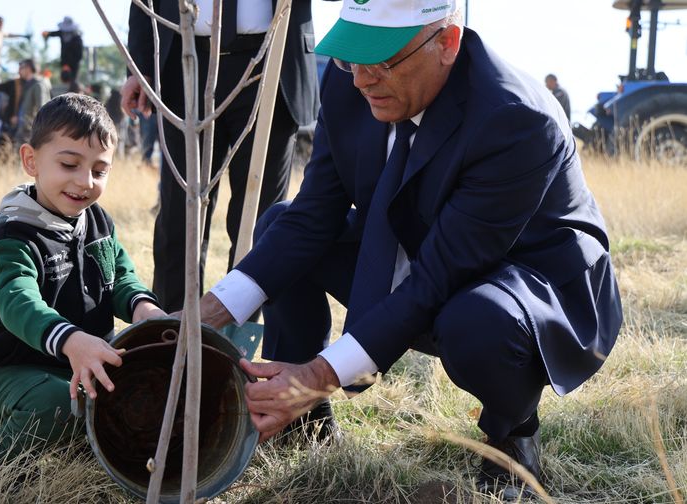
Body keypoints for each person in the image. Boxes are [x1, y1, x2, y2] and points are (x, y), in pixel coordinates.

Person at [197, 0, 622, 499]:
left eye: (381, 62)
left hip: (530, 281)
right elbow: (315, 215)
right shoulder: (347, 83)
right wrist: (203, 318)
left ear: (447, 42)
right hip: (425, 247)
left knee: (475, 321)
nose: (361, 80)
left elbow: (439, 275)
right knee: (279, 224)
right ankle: (299, 421)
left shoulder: (515, 119)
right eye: (350, 58)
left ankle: (513, 430)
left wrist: (318, 375)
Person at [0, 93, 166, 465]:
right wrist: (72, 341)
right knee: (56, 406)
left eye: (99, 171)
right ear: (31, 161)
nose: (84, 181)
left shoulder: (99, 222)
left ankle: (88, 447)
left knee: (147, 397)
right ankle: (10, 475)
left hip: (84, 363)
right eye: (70, 164)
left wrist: (144, 309)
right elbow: (17, 301)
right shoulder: (14, 235)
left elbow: (119, 276)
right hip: (14, 371)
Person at [122, 0, 334, 312]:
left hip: (271, 63)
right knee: (180, 214)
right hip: (184, 64)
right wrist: (138, 68)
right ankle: (171, 335)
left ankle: (239, 336)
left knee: (259, 218)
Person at [43, 17, 84, 81]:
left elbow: (79, 56)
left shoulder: (77, 39)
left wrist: (70, 65)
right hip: (64, 62)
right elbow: (55, 33)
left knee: (73, 81)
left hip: (74, 65)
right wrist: (48, 34)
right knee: (64, 79)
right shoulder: (62, 33)